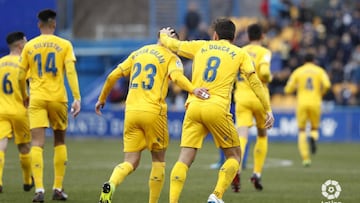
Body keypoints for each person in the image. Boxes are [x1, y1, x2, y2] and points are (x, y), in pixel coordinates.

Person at [159, 18, 275, 203]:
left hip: (194, 106)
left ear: (215, 35)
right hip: (217, 108)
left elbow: (175, 45)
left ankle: (172, 201)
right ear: (234, 37)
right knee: (235, 156)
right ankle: (216, 195)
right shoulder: (239, 53)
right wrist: (267, 109)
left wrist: (163, 36)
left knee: (184, 159)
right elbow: (255, 81)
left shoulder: (201, 46)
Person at [96, 29, 209, 203]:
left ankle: (111, 183)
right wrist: (193, 89)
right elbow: (177, 78)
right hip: (153, 111)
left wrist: (102, 99)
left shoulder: (138, 53)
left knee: (130, 161)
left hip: (131, 111)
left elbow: (113, 76)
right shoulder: (171, 58)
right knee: (158, 160)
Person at [18, 9, 81, 202]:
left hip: (36, 98)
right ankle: (58, 188)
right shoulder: (64, 45)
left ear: (39, 25)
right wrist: (77, 97)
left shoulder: (29, 46)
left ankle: (39, 189)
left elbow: (21, 76)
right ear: (54, 25)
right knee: (59, 141)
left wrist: (24, 95)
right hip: (57, 99)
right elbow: (70, 72)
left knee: (37, 144)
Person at [231, 23, 273, 192]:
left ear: (248, 37)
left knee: (242, 135)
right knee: (262, 135)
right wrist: (269, 77)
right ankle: (256, 173)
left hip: (242, 98)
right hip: (260, 98)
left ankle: (237, 169)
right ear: (262, 36)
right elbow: (263, 73)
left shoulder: (240, 52)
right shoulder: (265, 52)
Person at [284, 52, 331, 167]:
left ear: (304, 61)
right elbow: (327, 84)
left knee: (301, 130)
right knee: (314, 127)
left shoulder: (298, 71)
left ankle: (305, 159)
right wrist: (321, 92)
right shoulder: (319, 71)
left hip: (302, 103)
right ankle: (313, 138)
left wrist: (295, 88)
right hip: (315, 102)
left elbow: (287, 89)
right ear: (314, 60)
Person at [0, 32, 33, 193]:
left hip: (1, 110)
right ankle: (27, 181)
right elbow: (30, 85)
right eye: (26, 42)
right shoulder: (24, 63)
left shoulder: (0, 62)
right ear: (20, 45)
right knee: (24, 147)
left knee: (1, 145)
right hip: (20, 110)